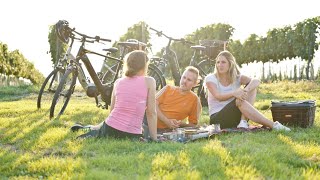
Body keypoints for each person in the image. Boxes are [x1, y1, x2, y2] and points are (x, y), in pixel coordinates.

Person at [75, 50, 158, 141]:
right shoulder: (150, 81)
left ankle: (86, 128)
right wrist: (154, 139)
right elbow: (151, 113)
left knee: (97, 131)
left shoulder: (118, 82)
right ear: (144, 66)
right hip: (132, 134)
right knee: (97, 130)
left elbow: (112, 109)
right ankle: (88, 128)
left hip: (110, 128)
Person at [204, 50, 290, 131]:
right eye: (218, 62)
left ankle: (243, 121)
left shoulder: (237, 77)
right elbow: (218, 97)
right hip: (218, 120)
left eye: (223, 62)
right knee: (240, 100)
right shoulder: (210, 78)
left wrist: (245, 91)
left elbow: (256, 81)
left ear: (230, 64)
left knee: (252, 88)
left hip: (234, 116)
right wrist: (235, 94)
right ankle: (274, 125)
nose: (220, 65)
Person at [143, 66, 202, 136]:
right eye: (184, 77)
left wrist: (180, 124)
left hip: (167, 130)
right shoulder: (168, 89)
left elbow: (193, 125)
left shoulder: (194, 100)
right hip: (148, 123)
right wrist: (167, 121)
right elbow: (152, 105)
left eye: (189, 80)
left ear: (195, 84)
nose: (184, 81)